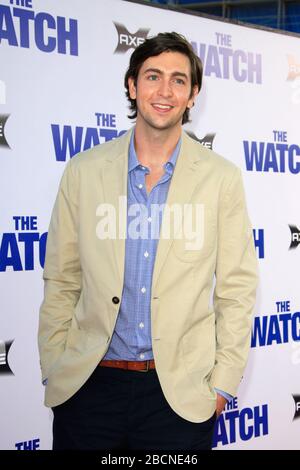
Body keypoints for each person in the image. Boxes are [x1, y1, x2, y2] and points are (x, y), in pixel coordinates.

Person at [38, 32, 258, 451]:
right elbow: (62, 279)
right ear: (132, 85)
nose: (164, 91)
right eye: (152, 76)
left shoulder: (221, 178)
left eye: (178, 80)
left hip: (179, 397)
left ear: (193, 95)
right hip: (89, 389)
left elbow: (237, 289)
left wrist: (222, 387)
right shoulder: (84, 172)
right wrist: (55, 366)